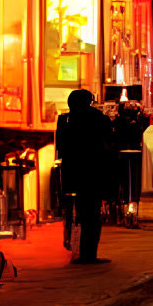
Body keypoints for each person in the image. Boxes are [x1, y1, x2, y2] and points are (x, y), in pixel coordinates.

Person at [53, 89, 114, 264]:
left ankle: (78, 250)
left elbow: (61, 146)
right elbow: (108, 141)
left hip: (74, 170)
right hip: (93, 170)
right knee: (93, 213)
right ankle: (89, 253)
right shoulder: (98, 118)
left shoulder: (64, 120)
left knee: (79, 211)